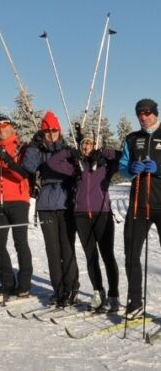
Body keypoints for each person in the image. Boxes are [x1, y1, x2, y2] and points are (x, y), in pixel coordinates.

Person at [48, 134, 121, 312]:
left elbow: (119, 156)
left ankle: (113, 295)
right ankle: (98, 292)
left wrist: (103, 152)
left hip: (101, 214)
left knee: (107, 255)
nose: (86, 146)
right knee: (91, 256)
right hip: (81, 215)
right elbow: (53, 163)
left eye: (90, 143)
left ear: (95, 145)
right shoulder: (76, 167)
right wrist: (69, 152)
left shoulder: (104, 165)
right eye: (84, 143)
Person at [22, 111, 78, 306]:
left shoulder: (68, 149)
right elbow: (29, 167)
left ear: (59, 131)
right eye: (47, 131)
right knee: (52, 251)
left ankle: (72, 288)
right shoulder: (38, 150)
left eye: (54, 130)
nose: (51, 134)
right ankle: (58, 290)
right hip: (46, 203)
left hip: (64, 202)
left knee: (67, 248)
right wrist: (32, 146)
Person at [0, 115, 32, 300]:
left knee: (20, 243)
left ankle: (24, 284)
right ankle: (8, 283)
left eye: (4, 126)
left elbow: (23, 176)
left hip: (18, 200)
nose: (1, 130)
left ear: (11, 127)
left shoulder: (20, 147)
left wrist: (8, 160)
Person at [118, 98, 161, 319]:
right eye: (140, 114)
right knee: (131, 255)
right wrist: (130, 170)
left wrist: (159, 168)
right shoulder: (132, 139)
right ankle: (135, 303)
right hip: (138, 205)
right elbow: (123, 166)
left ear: (155, 112)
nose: (144, 117)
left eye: (147, 113)